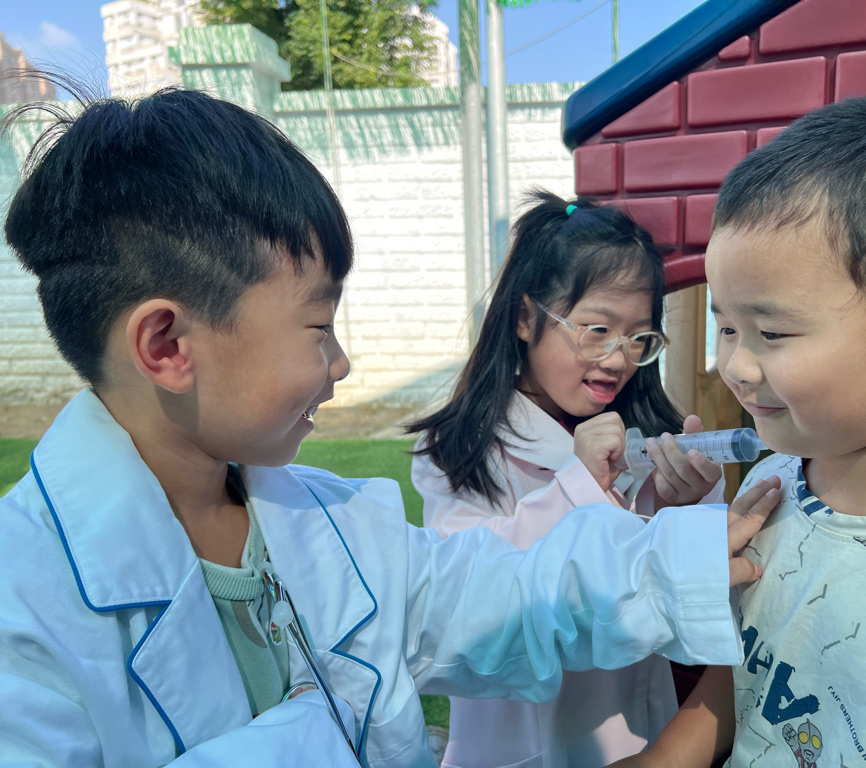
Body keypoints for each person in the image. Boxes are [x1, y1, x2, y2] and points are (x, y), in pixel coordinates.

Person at [0, 88, 780, 768]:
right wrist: (314, 726)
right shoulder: (23, 611)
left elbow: (508, 593)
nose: (340, 363)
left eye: (637, 338)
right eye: (319, 327)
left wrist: (677, 556)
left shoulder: (338, 528)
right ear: (168, 346)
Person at [611, 95, 866, 768]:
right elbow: (750, 673)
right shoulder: (776, 482)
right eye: (726, 326)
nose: (734, 366)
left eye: (771, 332)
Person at [409, 191, 727, 768]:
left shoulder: (649, 434)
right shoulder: (457, 451)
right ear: (525, 318)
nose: (618, 359)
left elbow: (695, 605)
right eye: (596, 329)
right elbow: (468, 593)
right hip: (520, 747)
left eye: (639, 338)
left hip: (643, 736)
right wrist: (577, 485)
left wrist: (680, 504)